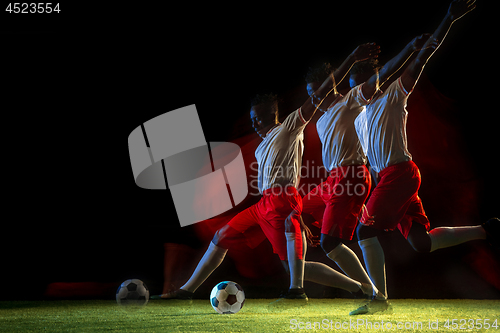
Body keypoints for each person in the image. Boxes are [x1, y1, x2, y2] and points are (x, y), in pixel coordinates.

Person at [152, 89, 379, 303]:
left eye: (258, 117)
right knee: (221, 236)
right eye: (252, 118)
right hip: (263, 205)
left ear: (273, 114)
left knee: (295, 267)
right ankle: (186, 291)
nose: (254, 123)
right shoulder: (263, 145)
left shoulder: (289, 128)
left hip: (283, 201)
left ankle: (311, 290)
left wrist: (347, 63)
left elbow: (314, 100)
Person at [350, 0, 498, 315]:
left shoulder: (393, 94)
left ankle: (379, 301)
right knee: (421, 242)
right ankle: (487, 229)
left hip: (399, 174)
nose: (359, 92)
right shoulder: (358, 117)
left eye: (362, 85)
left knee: (364, 231)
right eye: (354, 88)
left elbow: (424, 54)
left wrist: (448, 18)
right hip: (392, 178)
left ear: (375, 80)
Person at [301, 43, 386, 301]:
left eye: (317, 90)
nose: (314, 97)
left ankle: (373, 294)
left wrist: (354, 59)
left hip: (351, 175)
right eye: (310, 92)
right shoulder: (321, 117)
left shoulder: (350, 101)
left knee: (330, 243)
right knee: (295, 208)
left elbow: (372, 88)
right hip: (332, 179)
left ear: (331, 86)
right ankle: (297, 278)